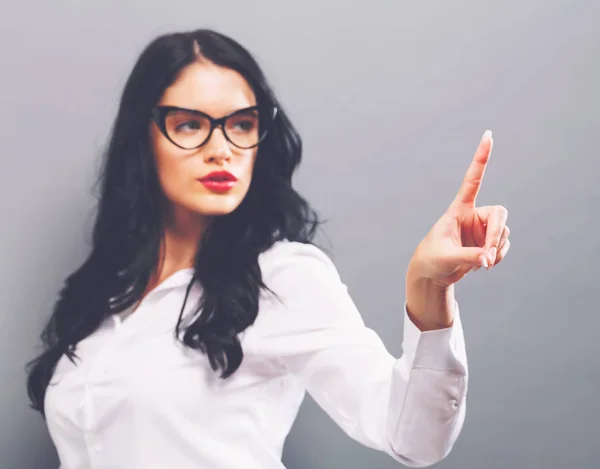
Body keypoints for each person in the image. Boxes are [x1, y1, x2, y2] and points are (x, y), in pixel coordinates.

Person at [25, 29, 510, 469]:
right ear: (143, 138)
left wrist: (428, 288)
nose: (222, 148)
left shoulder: (282, 278)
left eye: (241, 124)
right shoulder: (105, 294)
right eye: (191, 125)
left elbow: (414, 437)